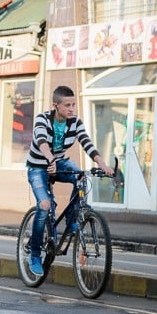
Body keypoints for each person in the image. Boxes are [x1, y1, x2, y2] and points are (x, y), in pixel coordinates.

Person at [25, 85, 113, 275]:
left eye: (74, 104)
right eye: (67, 105)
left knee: (81, 176)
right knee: (45, 204)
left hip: (60, 163)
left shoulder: (75, 122)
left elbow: (86, 143)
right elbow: (41, 141)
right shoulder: (43, 119)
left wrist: (102, 163)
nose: (72, 109)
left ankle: (74, 219)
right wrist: (50, 159)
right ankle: (34, 254)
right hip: (39, 167)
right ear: (55, 105)